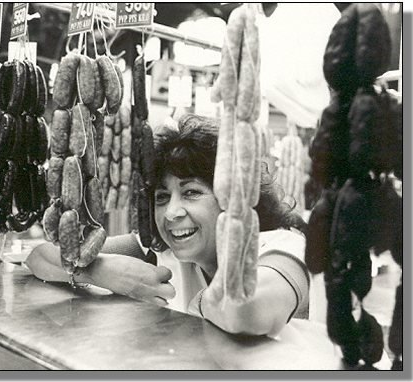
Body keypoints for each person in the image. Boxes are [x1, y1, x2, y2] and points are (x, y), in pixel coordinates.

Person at [26, 114, 309, 337]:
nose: (171, 212)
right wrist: (101, 271)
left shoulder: (283, 249)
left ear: (234, 197)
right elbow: (40, 256)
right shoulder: (165, 250)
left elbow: (248, 315)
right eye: (162, 197)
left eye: (192, 192)